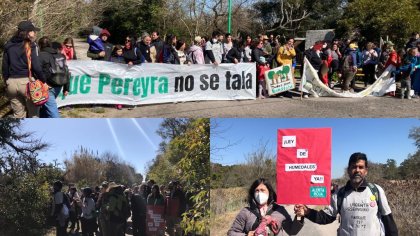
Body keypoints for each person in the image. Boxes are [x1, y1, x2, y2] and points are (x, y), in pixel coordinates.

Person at [294, 152, 398, 236]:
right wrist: (307, 212)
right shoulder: (339, 194)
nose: (357, 170)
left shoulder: (376, 190)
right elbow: (326, 217)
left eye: (361, 167)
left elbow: (388, 222)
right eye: (354, 167)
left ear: (366, 171)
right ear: (348, 170)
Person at [228, 178, 304, 236]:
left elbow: (292, 231)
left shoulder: (280, 210)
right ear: (253, 193)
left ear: (269, 192)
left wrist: (299, 217)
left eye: (262, 190)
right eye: (257, 191)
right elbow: (231, 232)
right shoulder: (246, 212)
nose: (259, 193)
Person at [2, 20, 46, 118]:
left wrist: (6, 82)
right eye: (33, 31)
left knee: (18, 116)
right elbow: (36, 67)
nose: (35, 33)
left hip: (11, 84)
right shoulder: (31, 45)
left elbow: (4, 67)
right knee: (34, 115)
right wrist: (44, 81)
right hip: (27, 83)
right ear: (28, 32)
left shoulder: (8, 45)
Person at [38, 37, 70, 118]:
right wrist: (66, 88)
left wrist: (44, 83)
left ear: (40, 45)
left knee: (53, 113)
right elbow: (66, 71)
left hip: (47, 87)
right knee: (45, 110)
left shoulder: (40, 55)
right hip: (59, 85)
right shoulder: (61, 55)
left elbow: (37, 71)